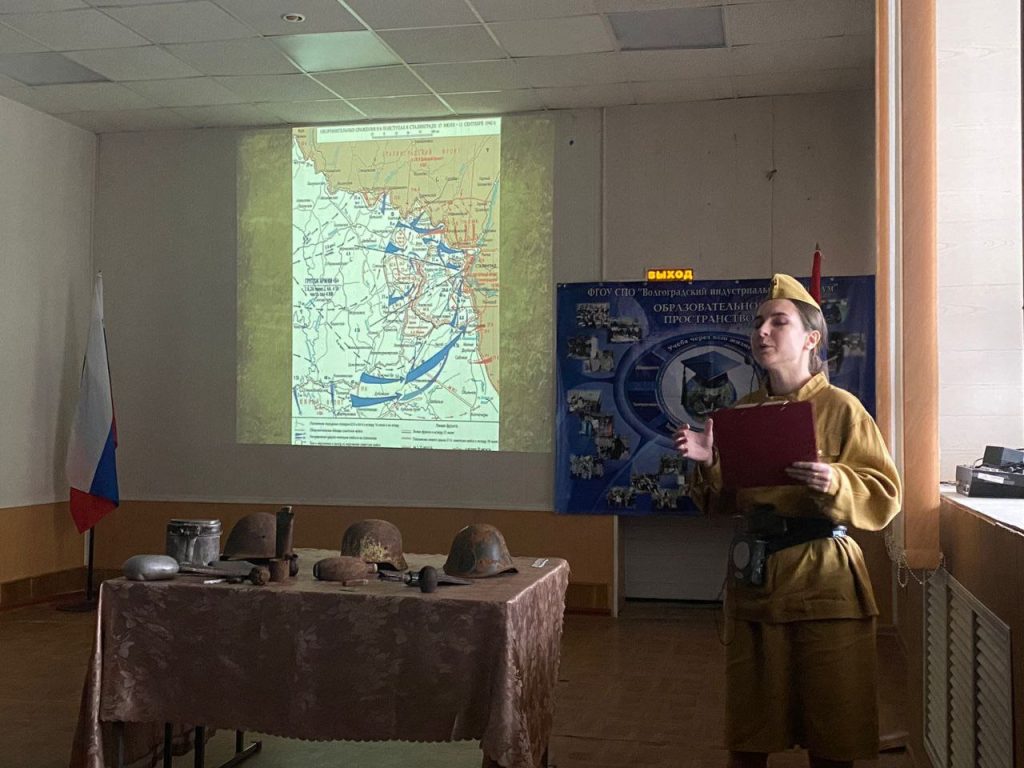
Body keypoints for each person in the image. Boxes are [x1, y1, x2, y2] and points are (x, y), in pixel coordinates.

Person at [673, 274, 902, 768]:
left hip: (825, 581)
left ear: (811, 338)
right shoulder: (741, 413)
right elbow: (720, 505)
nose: (762, 331)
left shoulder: (842, 409)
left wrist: (835, 480)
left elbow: (886, 495)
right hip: (756, 582)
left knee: (833, 732)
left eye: (779, 322)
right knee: (749, 731)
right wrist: (709, 462)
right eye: (759, 322)